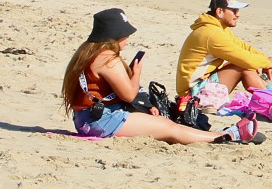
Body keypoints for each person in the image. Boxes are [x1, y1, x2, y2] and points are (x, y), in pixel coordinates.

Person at [64, 8, 233, 142]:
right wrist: (136, 73)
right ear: (114, 35)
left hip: (86, 118)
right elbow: (129, 95)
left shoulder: (87, 52)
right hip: (101, 120)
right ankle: (226, 136)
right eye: (125, 35)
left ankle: (215, 135)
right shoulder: (107, 58)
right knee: (168, 127)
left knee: (163, 124)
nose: (128, 39)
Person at [179, 0, 272, 94]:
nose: (238, 15)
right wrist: (268, 63)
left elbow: (243, 48)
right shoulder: (212, 34)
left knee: (248, 64)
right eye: (234, 11)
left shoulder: (218, 29)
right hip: (192, 93)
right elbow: (245, 59)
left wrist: (266, 60)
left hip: (201, 85)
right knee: (244, 66)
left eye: (238, 10)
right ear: (220, 11)